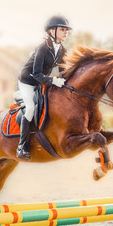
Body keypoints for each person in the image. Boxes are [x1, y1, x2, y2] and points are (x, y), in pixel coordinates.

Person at [16, 15, 71, 160]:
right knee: (31, 108)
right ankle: (22, 146)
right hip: (28, 81)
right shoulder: (42, 48)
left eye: (66, 30)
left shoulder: (61, 49)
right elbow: (36, 74)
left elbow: (64, 69)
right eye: (62, 29)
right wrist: (53, 81)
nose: (66, 32)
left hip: (41, 82)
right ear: (52, 31)